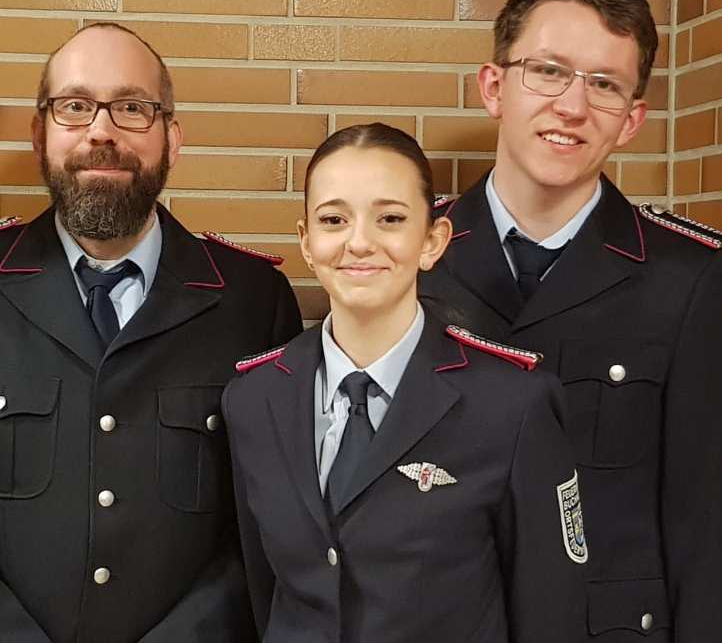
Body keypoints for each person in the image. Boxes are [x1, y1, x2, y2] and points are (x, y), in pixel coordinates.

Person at [0, 22, 302, 642]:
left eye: (132, 107)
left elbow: (267, 526)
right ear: (39, 133)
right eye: (75, 107)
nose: (101, 131)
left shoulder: (251, 303)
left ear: (172, 138)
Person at [419, 0, 722, 642]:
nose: (572, 106)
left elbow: (701, 522)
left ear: (631, 119)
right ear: (494, 87)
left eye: (603, 84)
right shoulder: (414, 252)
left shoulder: (681, 277)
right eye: (548, 71)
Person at [224, 123, 588, 642]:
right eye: (333, 219)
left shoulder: (512, 404)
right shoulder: (254, 398)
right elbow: (266, 591)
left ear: (431, 240)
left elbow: (550, 611)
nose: (359, 242)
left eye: (390, 218)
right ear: (306, 241)